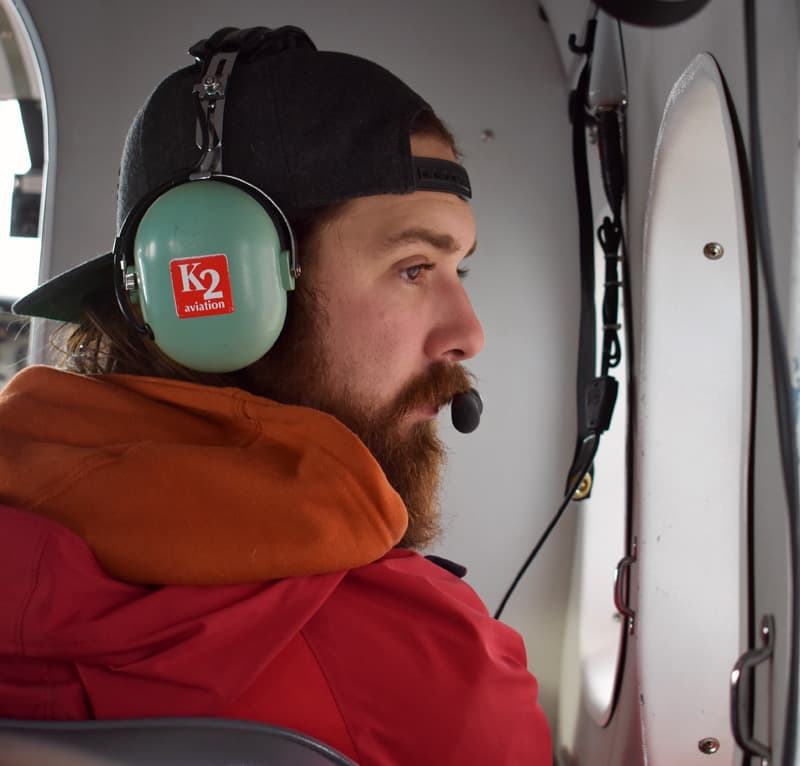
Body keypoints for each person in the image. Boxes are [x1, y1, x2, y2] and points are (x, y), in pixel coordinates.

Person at [0, 25, 552, 765]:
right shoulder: (436, 671)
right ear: (223, 284)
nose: (469, 333)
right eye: (415, 268)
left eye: (462, 273)